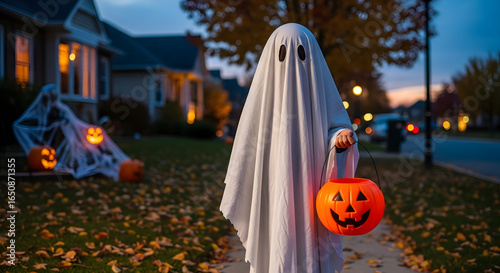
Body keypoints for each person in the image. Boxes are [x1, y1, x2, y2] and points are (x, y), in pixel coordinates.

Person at [220, 23, 359, 273]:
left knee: (309, 235)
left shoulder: (321, 93)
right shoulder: (262, 102)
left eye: (301, 54)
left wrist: (340, 138)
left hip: (313, 182)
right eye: (283, 54)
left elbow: (336, 127)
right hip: (272, 187)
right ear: (272, 57)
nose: (293, 65)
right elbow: (247, 149)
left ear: (312, 58)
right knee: (277, 231)